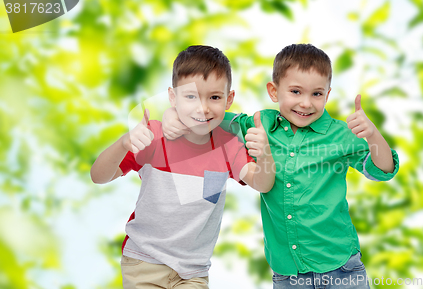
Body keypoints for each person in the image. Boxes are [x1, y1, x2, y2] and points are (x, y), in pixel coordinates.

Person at [161, 44, 399, 289]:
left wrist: (372, 135)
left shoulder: (340, 134)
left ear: (327, 95)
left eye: (317, 94)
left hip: (341, 266)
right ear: (274, 92)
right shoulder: (259, 123)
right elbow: (210, 118)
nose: (306, 103)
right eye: (296, 91)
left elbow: (382, 171)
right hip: (288, 273)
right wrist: (172, 114)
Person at [90, 45, 275, 289]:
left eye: (215, 97)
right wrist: (124, 142)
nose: (203, 108)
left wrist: (265, 154)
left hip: (193, 272)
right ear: (172, 97)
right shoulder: (153, 135)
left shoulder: (229, 146)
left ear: (229, 99)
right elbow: (98, 176)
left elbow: (263, 184)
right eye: (191, 96)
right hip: (144, 261)